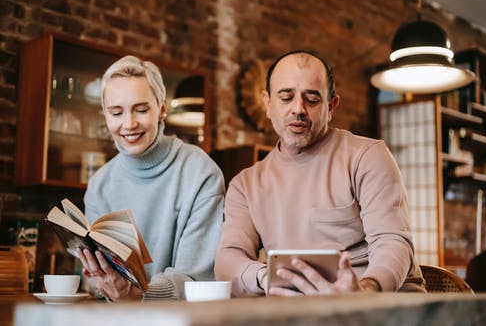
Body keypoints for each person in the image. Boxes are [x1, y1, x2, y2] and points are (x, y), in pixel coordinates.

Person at [215, 49, 426, 296]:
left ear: (331, 105)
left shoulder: (367, 157)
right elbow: (228, 259)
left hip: (379, 306)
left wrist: (366, 290)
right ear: (268, 103)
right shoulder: (245, 185)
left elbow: (392, 242)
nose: (298, 109)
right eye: (286, 97)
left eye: (312, 99)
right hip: (302, 312)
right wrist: (264, 276)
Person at [77, 55, 225, 301]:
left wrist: (137, 295)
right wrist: (99, 276)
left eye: (142, 110)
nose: (129, 123)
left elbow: (196, 277)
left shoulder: (200, 172)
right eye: (116, 113)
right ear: (105, 115)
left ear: (162, 109)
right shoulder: (99, 184)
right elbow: (106, 281)